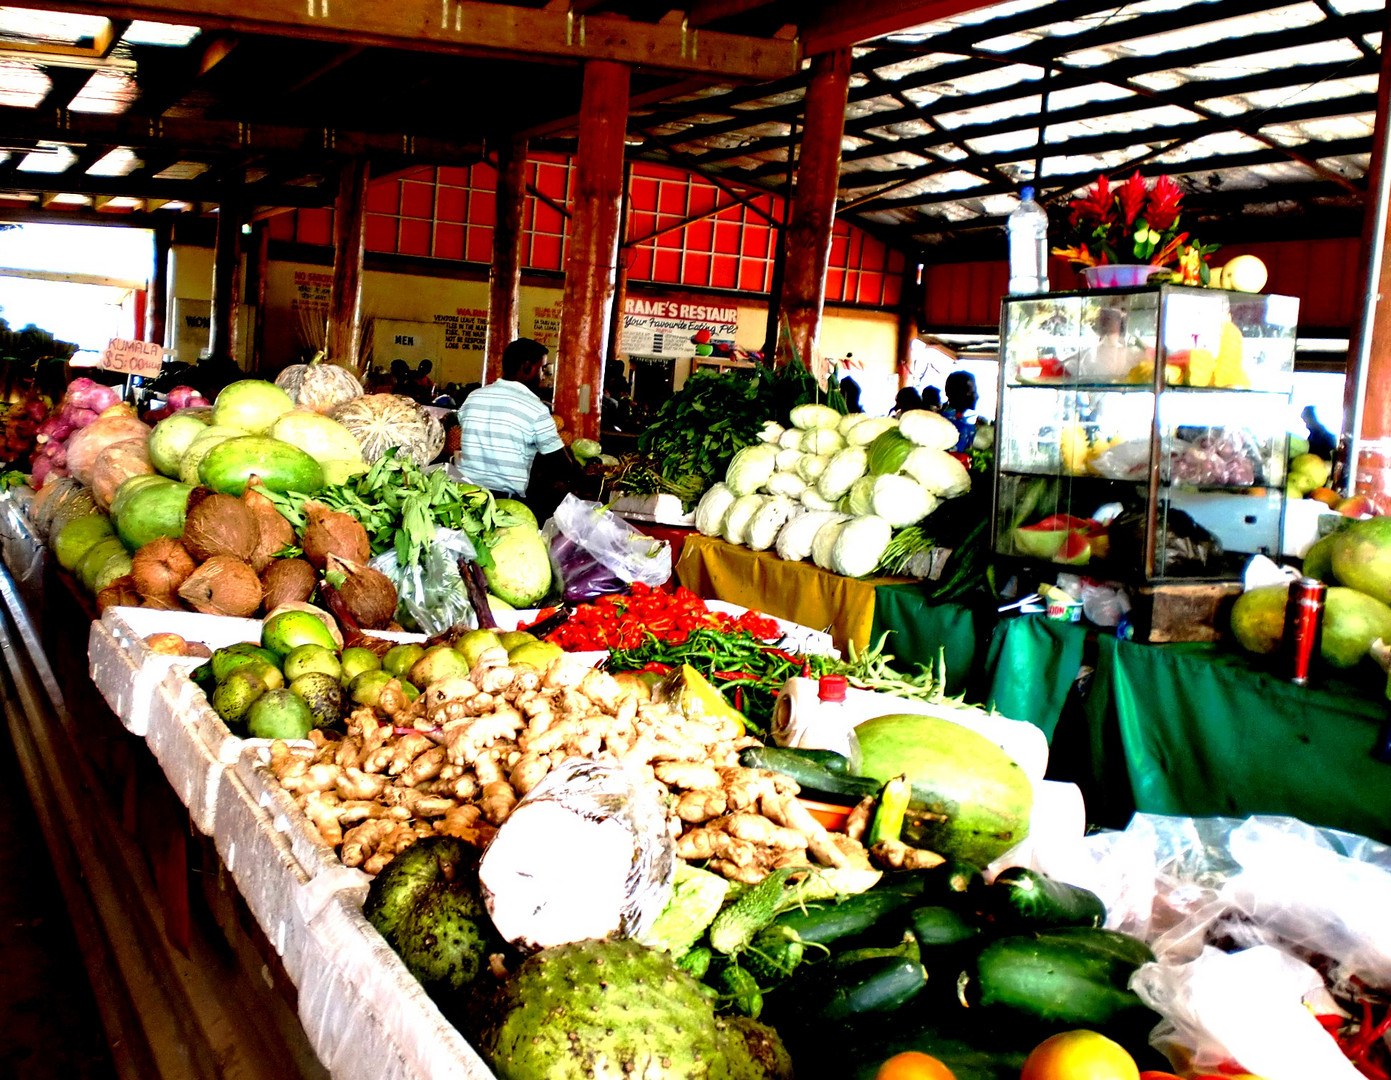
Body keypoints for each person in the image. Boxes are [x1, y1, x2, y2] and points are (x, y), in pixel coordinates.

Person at [455, 337, 568, 510]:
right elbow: (559, 463)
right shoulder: (536, 408)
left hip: (464, 498)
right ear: (527, 366)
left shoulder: (474, 397)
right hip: (504, 505)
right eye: (542, 369)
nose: (543, 376)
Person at [941, 371, 978, 452]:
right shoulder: (961, 426)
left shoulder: (941, 418)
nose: (977, 396)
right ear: (963, 393)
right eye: (973, 391)